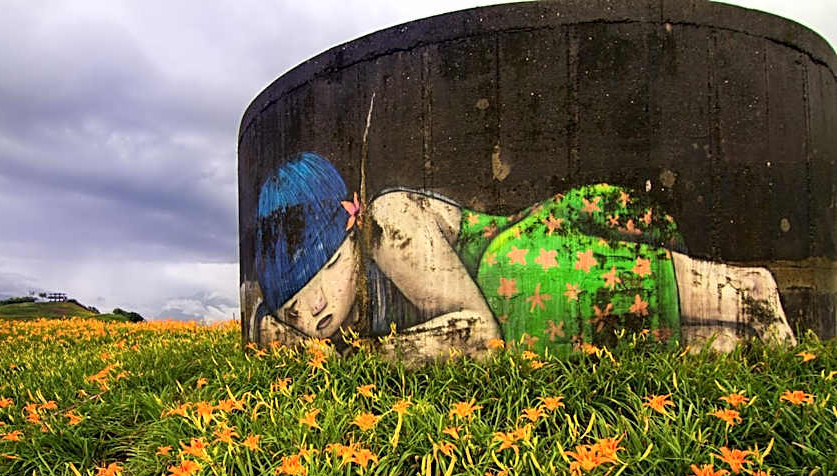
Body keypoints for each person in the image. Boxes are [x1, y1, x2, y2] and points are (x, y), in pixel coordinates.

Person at [249, 152, 794, 360]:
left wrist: (350, 360)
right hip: (532, 328)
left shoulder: (389, 225)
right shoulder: (319, 322)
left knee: (521, 278)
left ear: (353, 230)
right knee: (550, 338)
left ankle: (744, 291)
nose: (315, 308)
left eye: (324, 270)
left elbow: (479, 333)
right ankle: (740, 342)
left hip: (533, 264)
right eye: (295, 307)